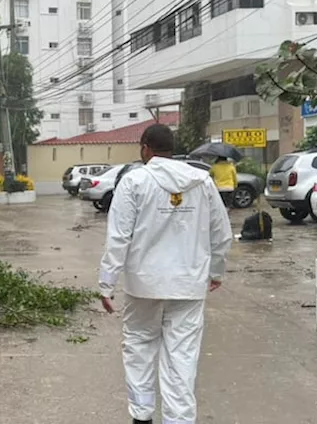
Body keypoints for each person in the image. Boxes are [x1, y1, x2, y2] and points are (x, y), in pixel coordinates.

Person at [98, 124, 234, 424]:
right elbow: (221, 233)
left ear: (145, 147)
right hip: (188, 285)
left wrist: (106, 284)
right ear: (172, 148)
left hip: (143, 286)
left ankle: (142, 415)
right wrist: (216, 271)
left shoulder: (134, 182)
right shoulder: (201, 181)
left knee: (139, 349)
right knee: (182, 359)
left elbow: (118, 237)